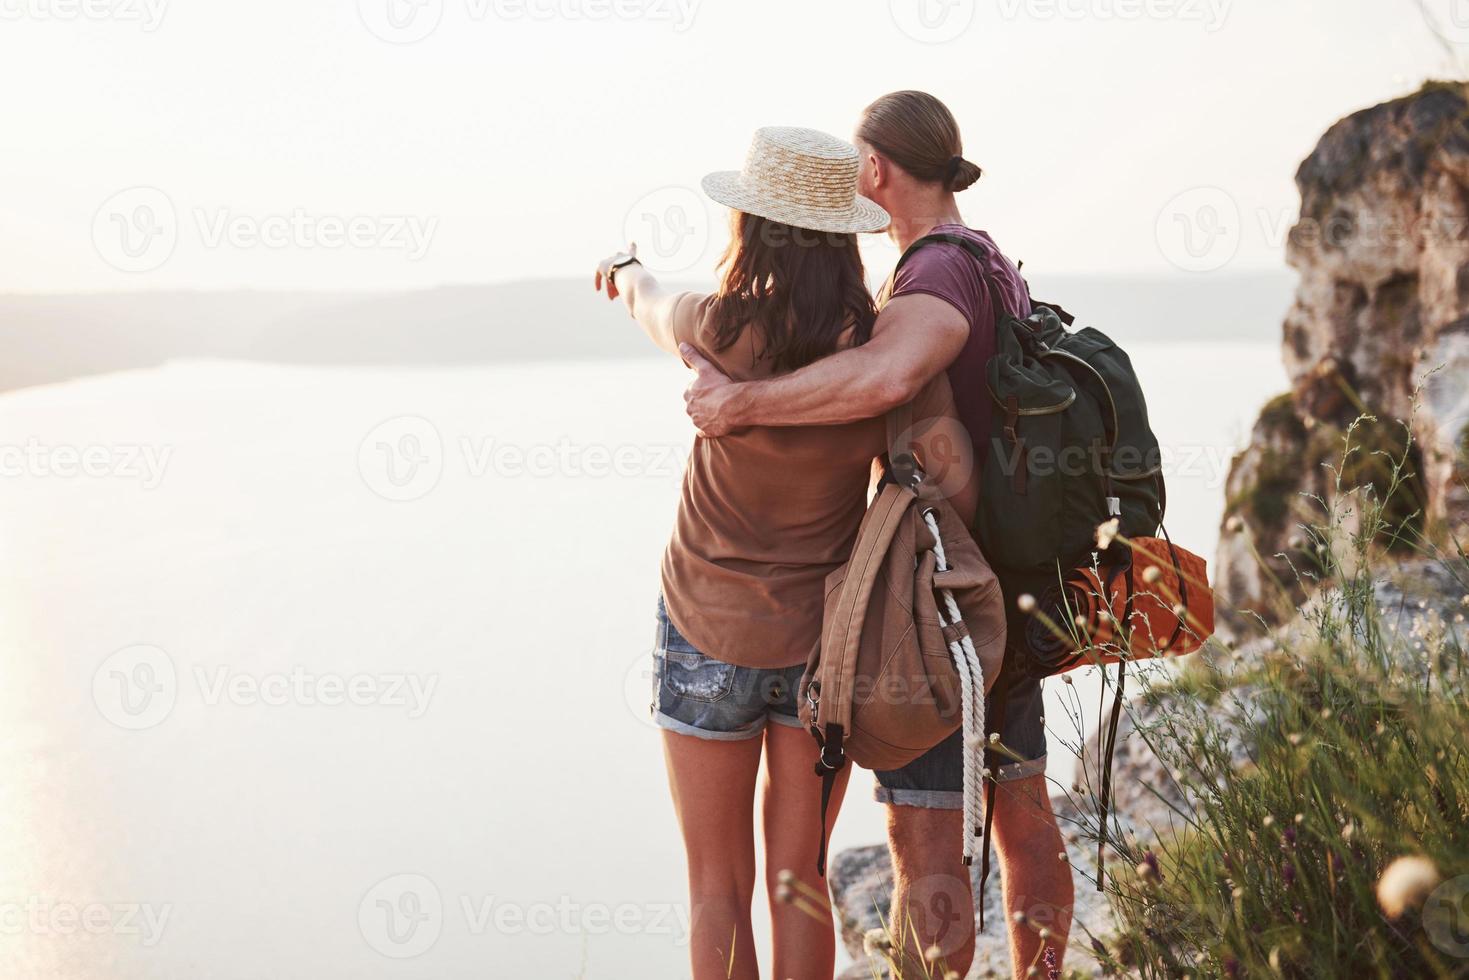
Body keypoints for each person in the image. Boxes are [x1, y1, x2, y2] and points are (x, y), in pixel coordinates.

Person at [680, 92, 1074, 978]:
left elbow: (888, 378)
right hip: (1008, 582)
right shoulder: (989, 260)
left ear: (875, 170)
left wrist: (738, 404)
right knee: (1022, 813)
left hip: (946, 599)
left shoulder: (931, 275)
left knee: (923, 836)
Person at [595, 125, 979, 980]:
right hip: (821, 651)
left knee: (713, 886)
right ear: (841, 234)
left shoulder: (715, 327)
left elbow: (649, 303)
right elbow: (950, 479)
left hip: (705, 630)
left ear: (750, 224)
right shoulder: (874, 351)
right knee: (796, 877)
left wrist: (625, 273)